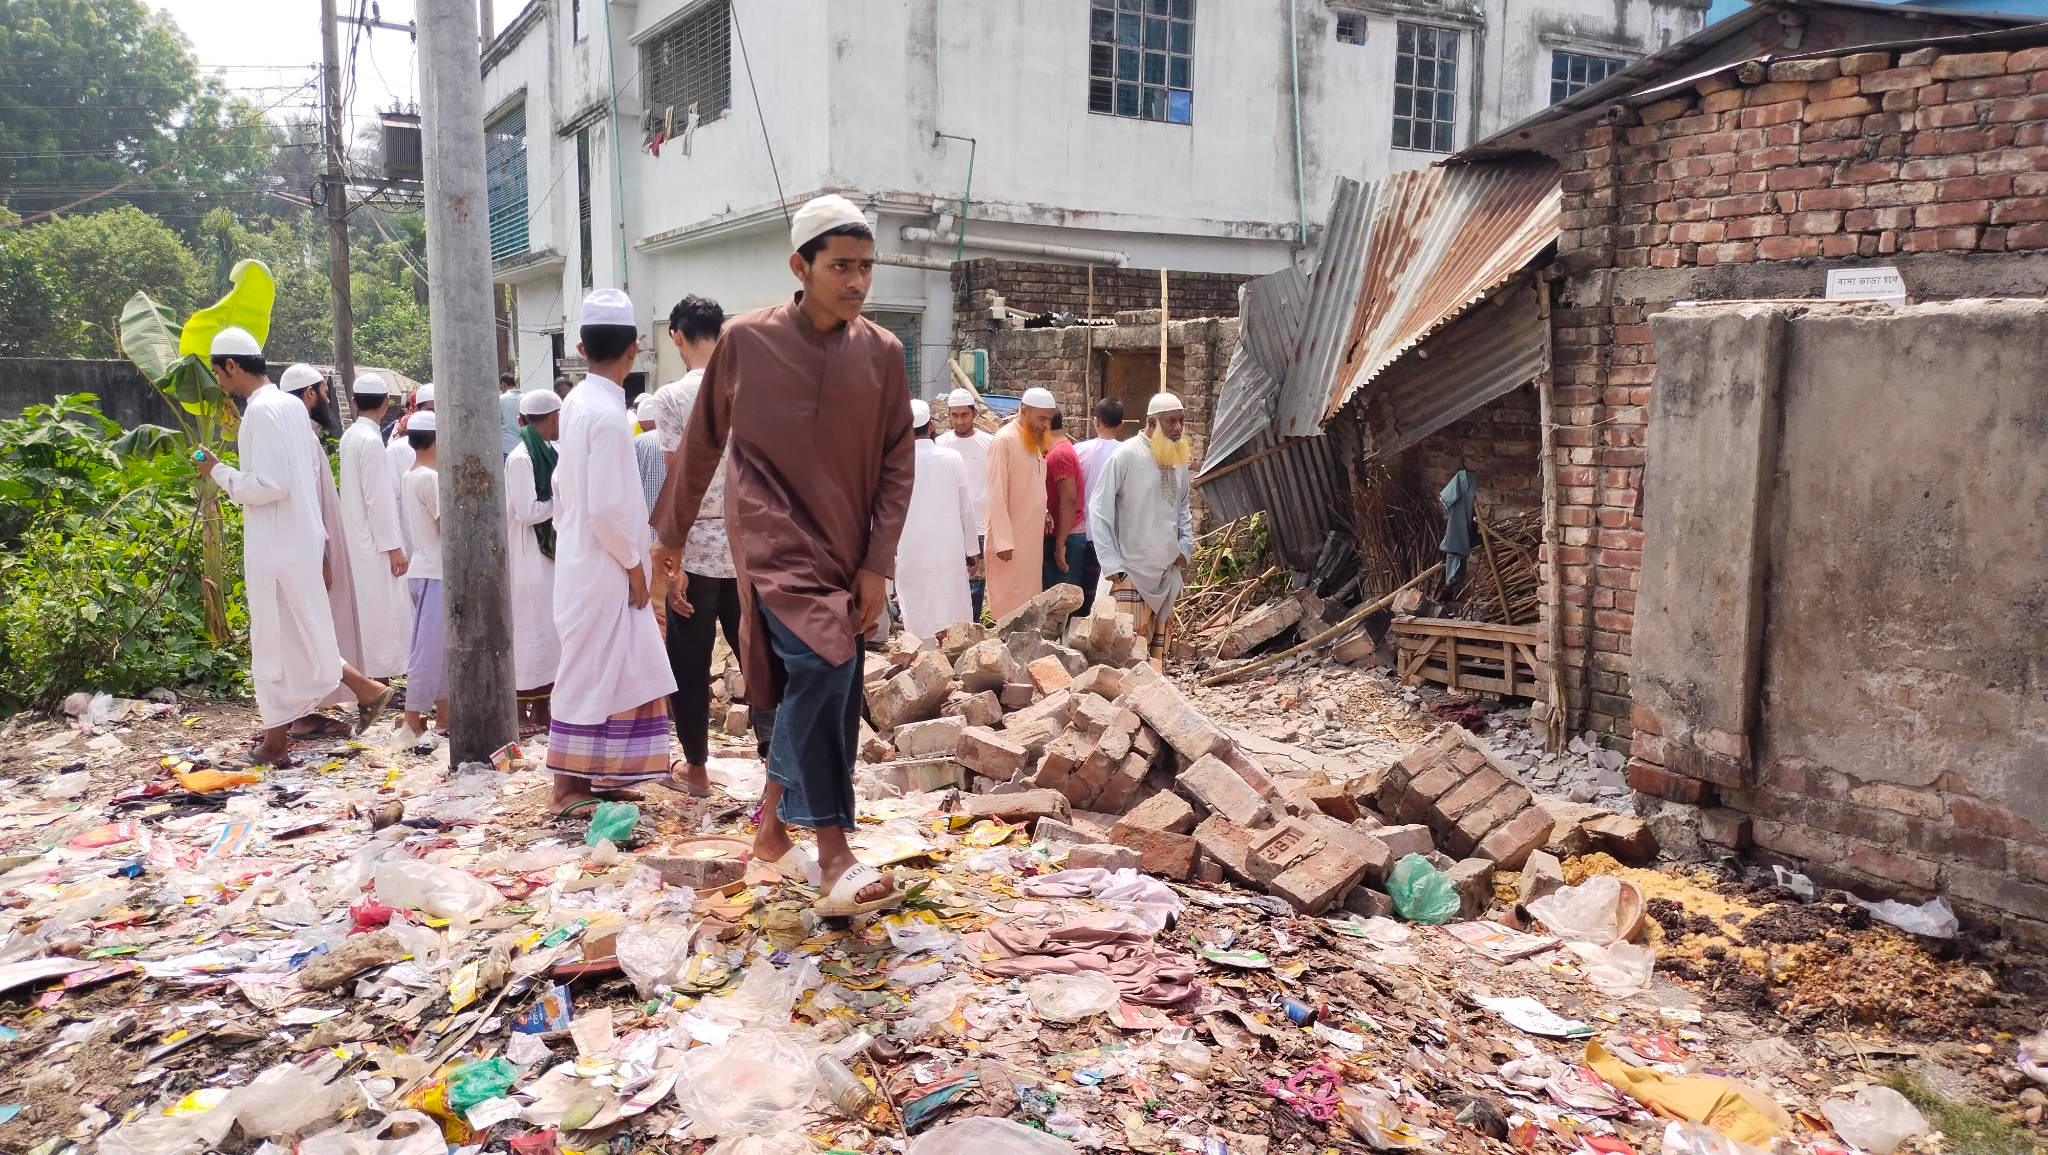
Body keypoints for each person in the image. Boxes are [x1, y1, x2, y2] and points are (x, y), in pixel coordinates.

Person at [652, 193, 914, 918]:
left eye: (867, 267)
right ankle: (831, 849)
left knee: (829, 679)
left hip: (844, 545)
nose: (858, 282)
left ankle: (771, 828)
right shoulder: (746, 339)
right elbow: (703, 439)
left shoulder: (885, 354)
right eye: (841, 267)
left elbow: (897, 462)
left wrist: (876, 563)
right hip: (768, 534)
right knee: (826, 662)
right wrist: (669, 541)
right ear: (801, 266)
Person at [195, 328, 393, 765]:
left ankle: (290, 733)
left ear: (232, 365)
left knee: (277, 640)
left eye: (219, 372)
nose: (219, 382)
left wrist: (219, 472)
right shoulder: (289, 408)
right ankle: (288, 734)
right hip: (298, 540)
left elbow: (271, 485)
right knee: (296, 637)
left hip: (276, 543)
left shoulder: (262, 413)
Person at [548, 289, 679, 808]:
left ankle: (602, 775)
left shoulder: (579, 403)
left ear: (580, 348)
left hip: (587, 555)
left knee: (627, 666)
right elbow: (605, 506)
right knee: (591, 671)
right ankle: (566, 787)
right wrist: (632, 563)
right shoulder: (603, 413)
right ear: (635, 348)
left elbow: (566, 489)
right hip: (604, 562)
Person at [647, 294, 740, 798]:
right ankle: (779, 772)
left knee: (690, 661)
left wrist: (669, 552)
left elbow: (677, 476)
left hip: (696, 545)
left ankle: (698, 769)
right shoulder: (745, 388)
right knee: (758, 660)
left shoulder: (671, 398)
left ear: (676, 336)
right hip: (746, 544)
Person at [278, 364, 366, 736]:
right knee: (314, 624)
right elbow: (308, 504)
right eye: (324, 390)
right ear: (310, 394)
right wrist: (324, 556)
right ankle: (304, 712)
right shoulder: (301, 438)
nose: (328, 398)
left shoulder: (301, 435)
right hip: (314, 548)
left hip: (315, 545)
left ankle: (308, 709)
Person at [1089, 391, 1195, 667]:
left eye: (1181, 421)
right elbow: (1099, 511)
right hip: (1130, 573)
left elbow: (1183, 508)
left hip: (1165, 572)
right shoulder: (1125, 455)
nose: (1178, 428)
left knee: (1156, 661)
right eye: (1171, 421)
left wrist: (1185, 547)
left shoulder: (1178, 460)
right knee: (1126, 658)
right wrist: (1112, 565)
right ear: (1151, 422)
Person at [338, 373, 412, 680]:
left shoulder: (350, 436)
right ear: (386, 404)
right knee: (381, 610)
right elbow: (378, 500)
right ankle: (377, 679)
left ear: (354, 402)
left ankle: (370, 677)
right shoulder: (370, 441)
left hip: (355, 536)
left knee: (367, 610)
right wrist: (394, 548)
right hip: (373, 540)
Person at [894, 398, 977, 642]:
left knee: (916, 610)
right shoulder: (952, 459)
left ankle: (920, 662)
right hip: (947, 549)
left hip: (910, 549)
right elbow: (965, 509)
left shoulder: (893, 463)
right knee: (950, 605)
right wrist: (971, 550)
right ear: (930, 426)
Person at [507, 389, 564, 734]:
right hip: (529, 553)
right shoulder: (521, 458)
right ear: (554, 417)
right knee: (530, 631)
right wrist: (563, 502)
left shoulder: (549, 451)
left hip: (549, 554)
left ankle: (543, 710)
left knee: (549, 631)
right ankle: (518, 711)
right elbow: (528, 512)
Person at [982, 387, 1055, 620]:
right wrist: (1002, 541)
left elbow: (1030, 485)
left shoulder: (1032, 440)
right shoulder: (1004, 440)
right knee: (1010, 603)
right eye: (1041, 418)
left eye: (1049, 419)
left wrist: (1044, 511)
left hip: (1030, 539)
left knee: (1029, 601)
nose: (1046, 425)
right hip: (1010, 542)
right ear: (1024, 411)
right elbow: (996, 493)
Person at [398, 411, 449, 742]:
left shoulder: (410, 474)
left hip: (424, 567)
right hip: (436, 571)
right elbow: (447, 526)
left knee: (440, 648)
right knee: (429, 649)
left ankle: (445, 717)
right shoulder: (429, 478)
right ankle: (412, 717)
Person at [934, 388, 993, 618]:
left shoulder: (989, 443)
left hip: (980, 526)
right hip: (949, 527)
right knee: (949, 586)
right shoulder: (940, 444)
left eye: (964, 415)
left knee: (976, 589)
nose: (959, 421)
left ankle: (971, 635)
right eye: (954, 415)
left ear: (974, 414)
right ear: (948, 415)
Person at [1069, 396, 1124, 615]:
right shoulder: (1127, 454)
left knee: (1081, 595)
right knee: (1109, 599)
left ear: (1095, 421)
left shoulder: (1078, 451)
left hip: (1083, 533)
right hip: (1115, 538)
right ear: (1121, 424)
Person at [1040, 408, 1086, 596]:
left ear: (1046, 423)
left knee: (1057, 604)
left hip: (1065, 536)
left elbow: (1069, 498)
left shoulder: (1059, 454)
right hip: (1063, 535)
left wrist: (1060, 544)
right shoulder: (1059, 450)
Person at [387, 382, 433, 546]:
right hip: (409, 539)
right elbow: (392, 500)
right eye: (430, 410)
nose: (434, 416)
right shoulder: (396, 450)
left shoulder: (454, 446)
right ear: (416, 410)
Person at [497, 371, 522, 456]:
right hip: (524, 447)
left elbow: (497, 422)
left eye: (501, 386)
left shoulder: (500, 400)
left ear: (503, 384)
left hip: (506, 447)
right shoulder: (525, 399)